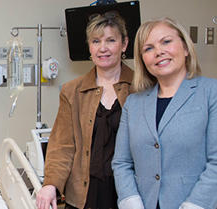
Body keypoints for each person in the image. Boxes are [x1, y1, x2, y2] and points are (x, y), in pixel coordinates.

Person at [111, 17, 217, 209]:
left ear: (186, 48)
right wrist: (131, 202)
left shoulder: (214, 92)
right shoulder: (134, 103)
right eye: (148, 48)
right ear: (143, 60)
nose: (159, 52)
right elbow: (121, 163)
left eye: (166, 41)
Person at [36, 11, 133, 209]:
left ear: (124, 44)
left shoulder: (142, 88)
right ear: (89, 47)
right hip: (84, 193)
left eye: (111, 40)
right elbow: (62, 146)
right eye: (96, 41)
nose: (103, 48)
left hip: (129, 191)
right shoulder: (72, 91)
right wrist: (50, 184)